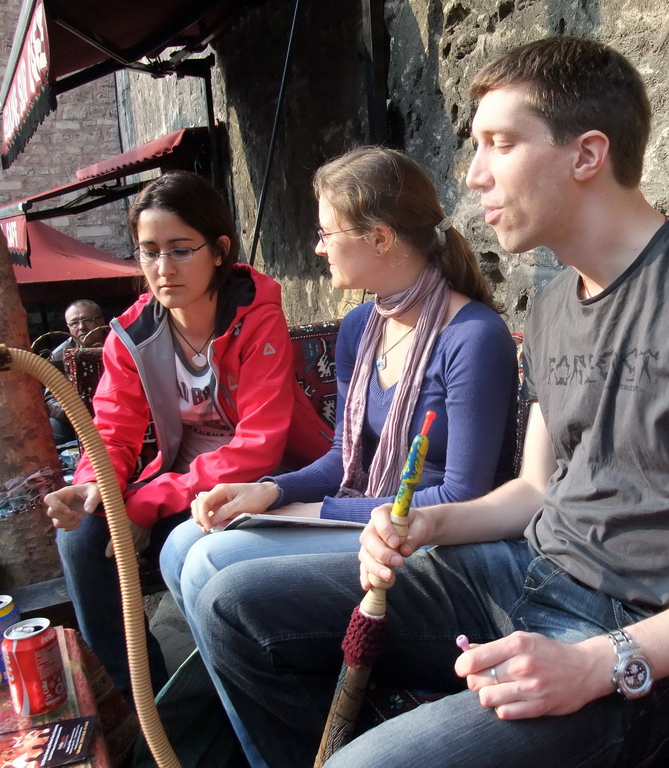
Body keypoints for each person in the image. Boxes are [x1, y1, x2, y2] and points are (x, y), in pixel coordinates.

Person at [194, 36, 669, 768]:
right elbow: (532, 491)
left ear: (587, 155)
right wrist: (428, 521)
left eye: (499, 144)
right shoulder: (555, 306)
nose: (474, 174)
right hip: (518, 570)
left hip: (644, 633)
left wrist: (596, 663)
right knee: (229, 606)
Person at [159, 146, 519, 642]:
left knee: (208, 562)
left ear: (379, 238)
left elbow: (464, 495)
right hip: (365, 518)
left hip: (433, 542)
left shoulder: (474, 337)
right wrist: (270, 490)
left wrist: (315, 512)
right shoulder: (359, 328)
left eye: (327, 232)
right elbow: (343, 457)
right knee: (179, 544)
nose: (319, 247)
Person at [42, 170, 332, 703]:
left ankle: (238, 681)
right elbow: (111, 430)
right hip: (181, 482)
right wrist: (92, 486)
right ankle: (147, 701)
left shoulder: (256, 316)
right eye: (148, 251)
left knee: (194, 531)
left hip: (266, 478)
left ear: (219, 250)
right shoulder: (131, 336)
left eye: (179, 250)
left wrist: (144, 506)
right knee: (80, 533)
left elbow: (260, 445)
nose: (162, 268)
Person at [45, 300, 106, 445]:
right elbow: (49, 399)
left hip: (116, 412)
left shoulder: (119, 344)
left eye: (87, 320)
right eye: (74, 323)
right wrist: (71, 410)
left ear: (101, 321)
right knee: (48, 430)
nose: (82, 327)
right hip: (76, 421)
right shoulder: (59, 356)